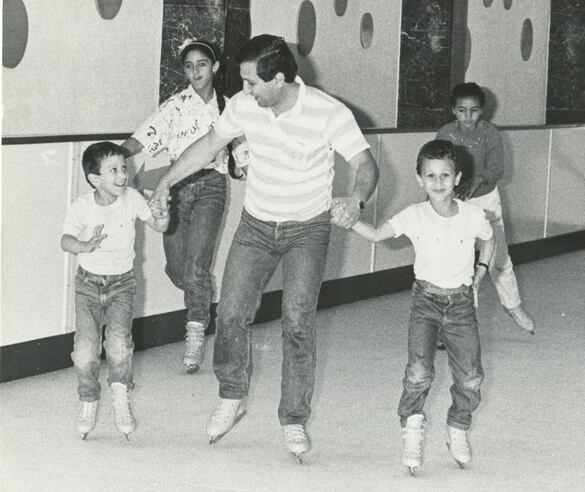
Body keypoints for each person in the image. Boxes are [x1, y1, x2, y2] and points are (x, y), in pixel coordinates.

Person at [149, 34, 378, 459]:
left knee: (297, 322)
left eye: (252, 82)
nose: (245, 91)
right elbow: (205, 148)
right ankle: (232, 396)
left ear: (278, 78)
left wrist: (356, 198)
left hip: (307, 230)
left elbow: (365, 165)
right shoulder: (243, 106)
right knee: (232, 313)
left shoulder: (328, 112)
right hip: (255, 225)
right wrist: (165, 180)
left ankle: (293, 419)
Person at [343, 139, 495, 474]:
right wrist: (348, 218)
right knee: (418, 373)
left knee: (470, 376)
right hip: (425, 301)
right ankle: (412, 428)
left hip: (461, 304)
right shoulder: (414, 215)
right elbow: (377, 234)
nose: (438, 182)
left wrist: (481, 273)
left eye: (445, 175)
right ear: (419, 180)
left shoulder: (473, 215)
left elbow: (489, 239)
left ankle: (457, 427)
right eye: (430, 176)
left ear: (457, 179)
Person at [121, 39, 249, 374]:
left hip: (211, 187)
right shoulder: (175, 106)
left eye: (202, 64)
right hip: (174, 189)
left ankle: (195, 332)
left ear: (215, 67)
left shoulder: (229, 106)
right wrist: (114, 156)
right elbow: (142, 137)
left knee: (196, 268)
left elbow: (245, 149)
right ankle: (199, 293)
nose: (196, 72)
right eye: (189, 66)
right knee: (179, 269)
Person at [61, 142, 170, 440]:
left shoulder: (132, 198)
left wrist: (162, 213)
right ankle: (89, 400)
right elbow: (65, 240)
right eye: (114, 170)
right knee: (85, 350)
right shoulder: (82, 206)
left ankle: (121, 399)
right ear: (95, 179)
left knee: (120, 345)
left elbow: (159, 226)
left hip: (122, 283)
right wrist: (84, 245)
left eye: (124, 168)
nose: (123, 175)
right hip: (87, 285)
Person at [436, 82, 535, 336]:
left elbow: (497, 169)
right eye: (462, 111)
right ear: (453, 110)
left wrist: (478, 180)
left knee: (497, 258)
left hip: (486, 201)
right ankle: (451, 323)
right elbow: (438, 164)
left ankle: (513, 305)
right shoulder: (446, 133)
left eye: (474, 111)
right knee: (454, 261)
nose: (468, 117)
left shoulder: (490, 134)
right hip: (455, 202)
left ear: (482, 111)